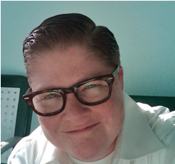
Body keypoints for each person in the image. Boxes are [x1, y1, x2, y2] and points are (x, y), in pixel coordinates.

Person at [8, 13, 175, 164]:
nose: (74, 114)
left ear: (119, 80)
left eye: (91, 85)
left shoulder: (170, 141)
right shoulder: (26, 156)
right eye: (50, 95)